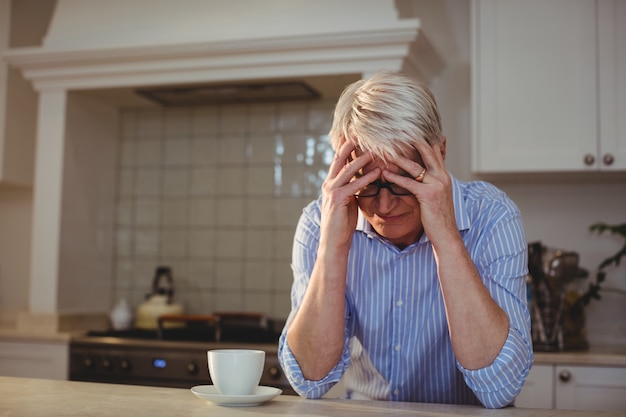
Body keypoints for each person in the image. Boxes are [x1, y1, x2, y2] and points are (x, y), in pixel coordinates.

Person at [278, 71, 533, 408]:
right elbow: (309, 381)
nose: (383, 205)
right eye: (366, 182)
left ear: (439, 153)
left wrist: (445, 234)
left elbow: (501, 388)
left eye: (403, 180)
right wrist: (333, 246)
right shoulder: (318, 222)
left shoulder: (492, 215)